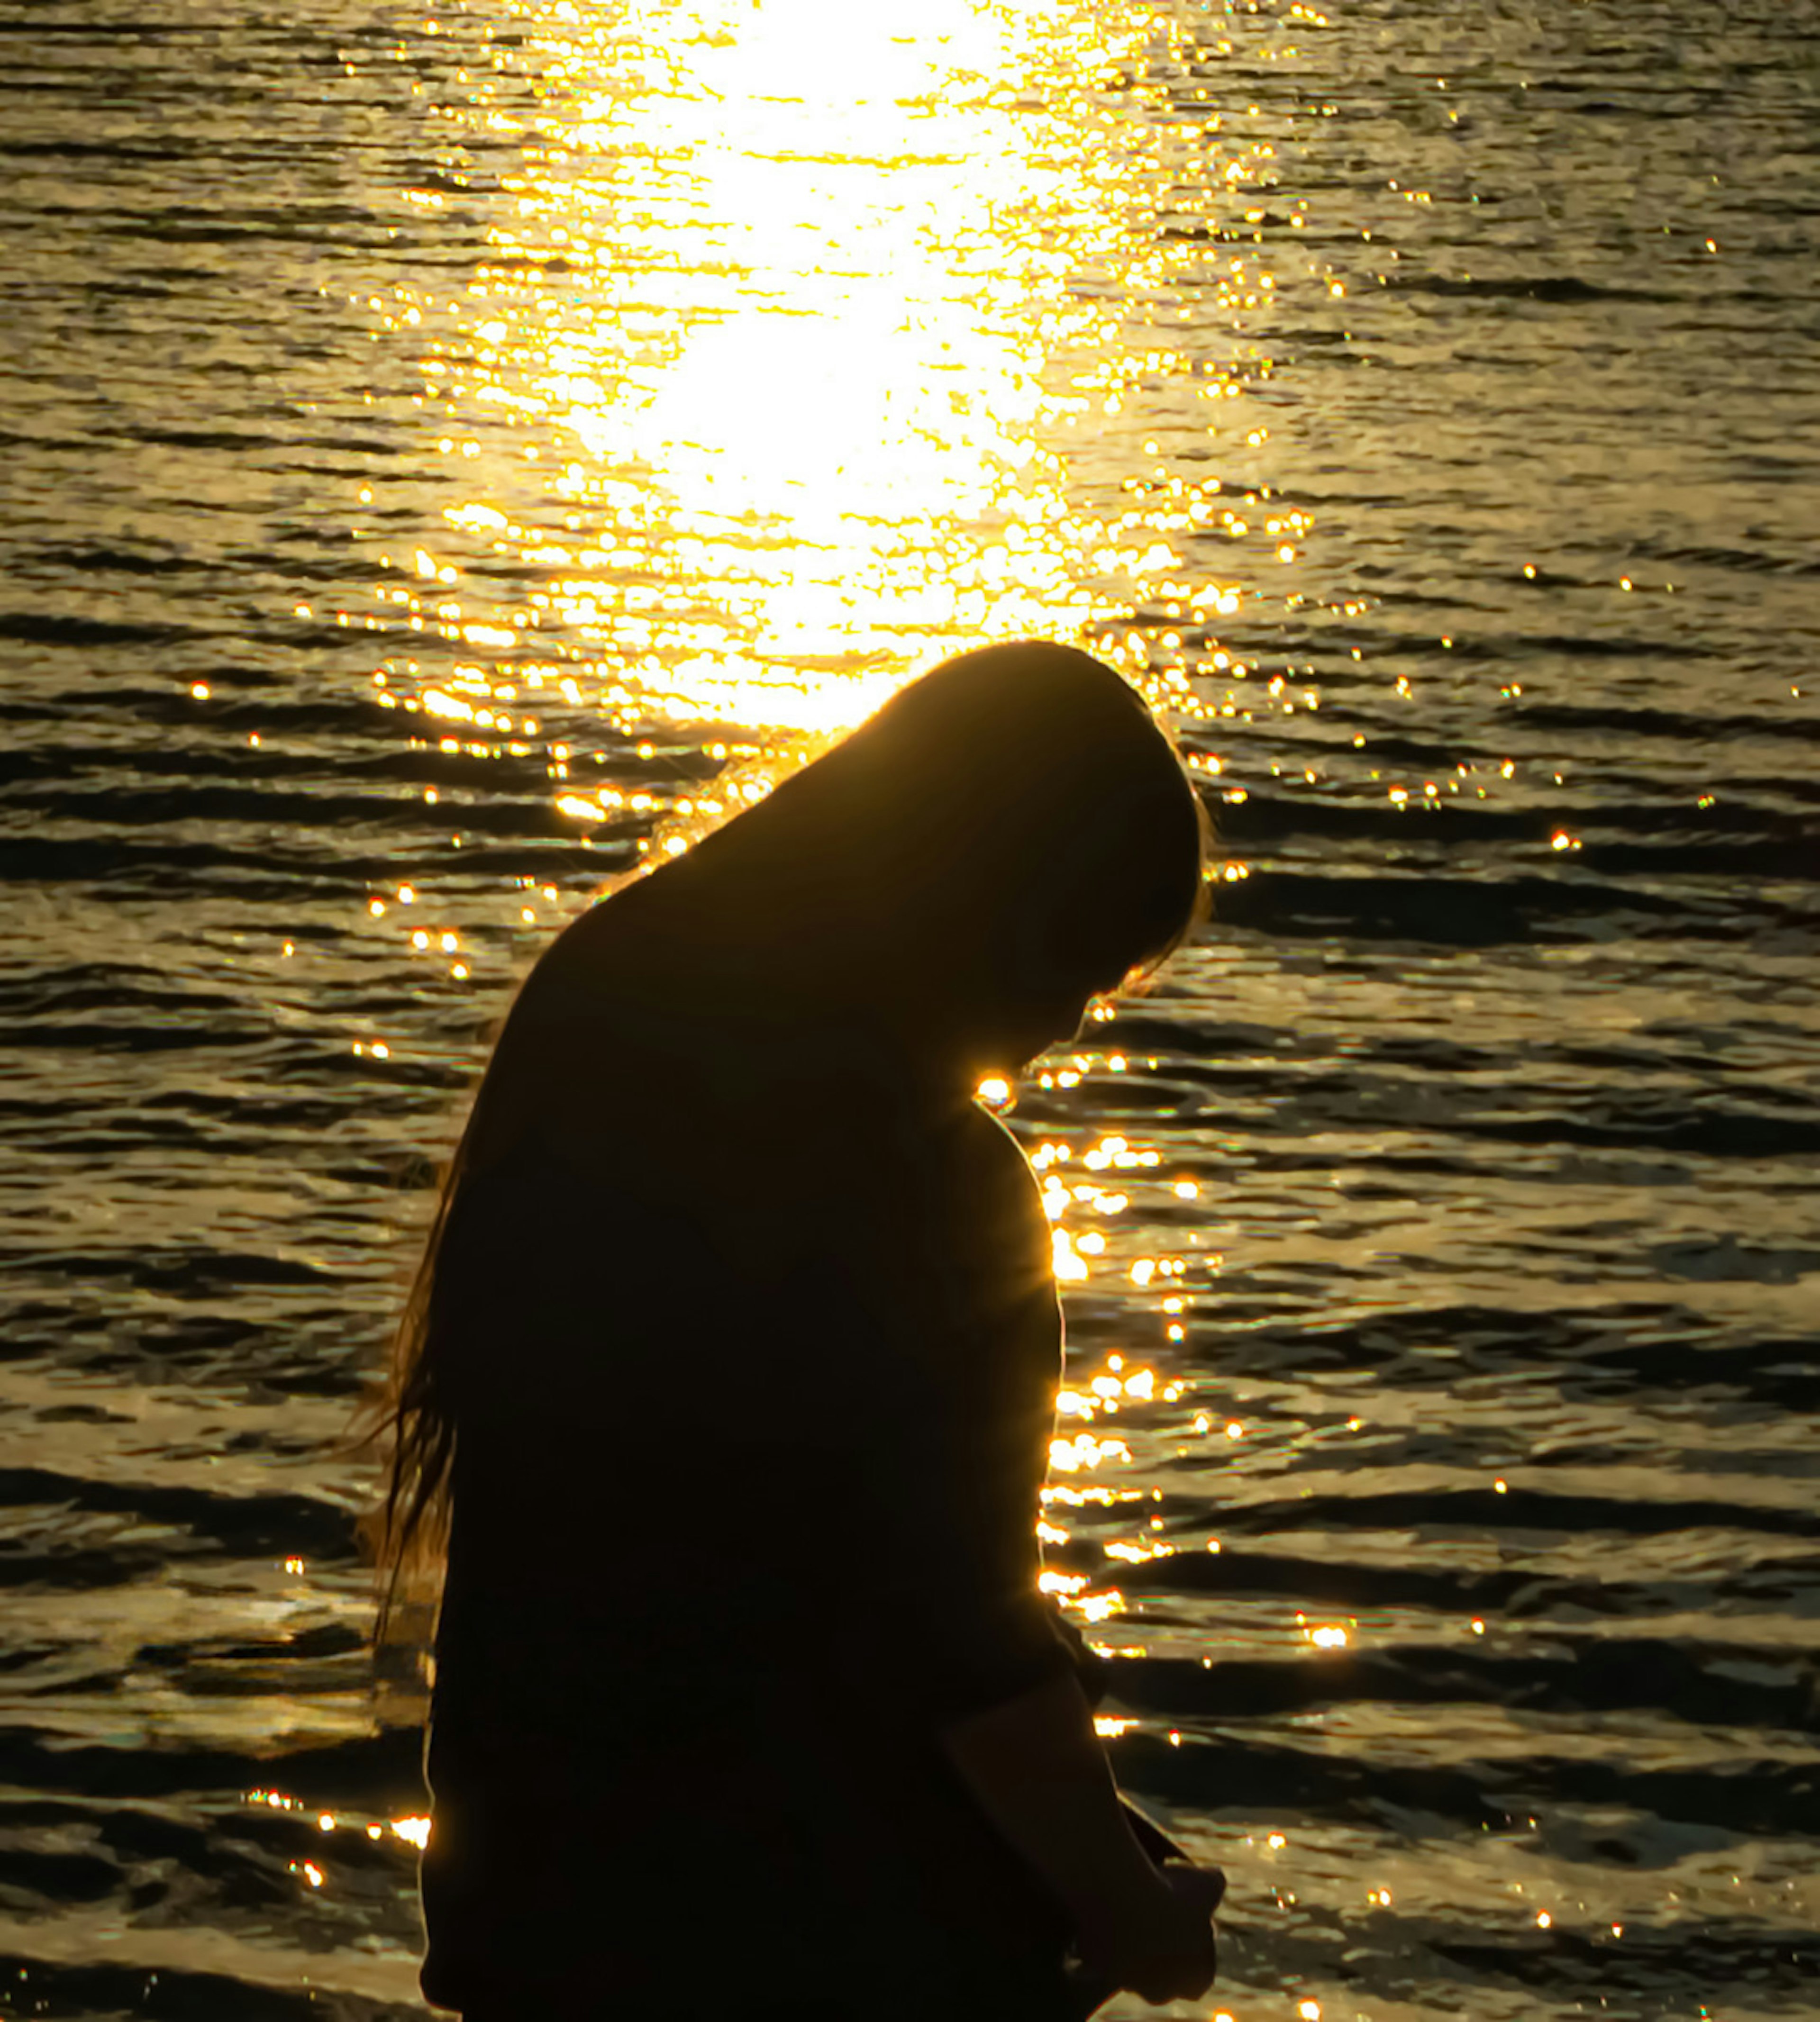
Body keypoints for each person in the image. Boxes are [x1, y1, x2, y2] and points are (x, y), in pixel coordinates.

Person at [368, 639, 1223, 2020]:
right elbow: (966, 1652)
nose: (1073, 1022)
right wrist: (1138, 1919)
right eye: (1088, 964)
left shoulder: (595, 1020)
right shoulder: (935, 1188)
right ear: (1006, 905)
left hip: (543, 1920)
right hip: (825, 1950)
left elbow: (738, 1578)